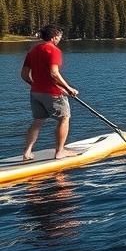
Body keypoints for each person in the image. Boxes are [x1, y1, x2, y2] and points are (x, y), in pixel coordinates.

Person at [21, 24, 79, 161]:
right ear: (54, 38)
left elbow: (24, 74)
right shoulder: (54, 50)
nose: (60, 39)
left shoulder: (33, 51)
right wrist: (68, 88)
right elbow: (54, 73)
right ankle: (60, 152)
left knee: (38, 121)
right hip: (52, 92)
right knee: (64, 118)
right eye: (59, 36)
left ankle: (27, 153)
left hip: (35, 93)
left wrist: (34, 84)